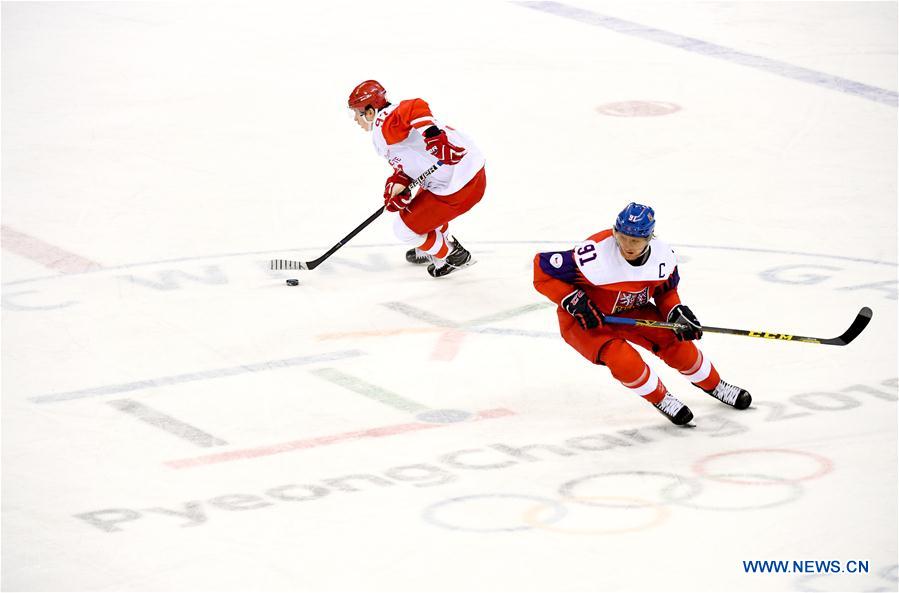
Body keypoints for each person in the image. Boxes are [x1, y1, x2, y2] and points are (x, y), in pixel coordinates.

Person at [532, 202, 751, 425]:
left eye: (635, 240)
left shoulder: (663, 258)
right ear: (615, 231)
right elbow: (541, 269)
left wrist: (675, 311)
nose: (627, 245)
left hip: (632, 309)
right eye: (622, 237)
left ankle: (716, 385)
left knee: (677, 343)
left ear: (649, 238)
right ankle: (661, 398)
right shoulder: (594, 255)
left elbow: (666, 292)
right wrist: (573, 300)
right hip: (588, 319)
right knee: (622, 359)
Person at [347, 80, 486, 278]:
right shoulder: (388, 126)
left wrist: (434, 137)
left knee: (403, 230)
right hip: (467, 174)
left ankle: (451, 254)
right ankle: (433, 247)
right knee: (418, 208)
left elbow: (415, 106)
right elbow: (408, 163)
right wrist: (398, 185)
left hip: (459, 186)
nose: (355, 119)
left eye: (356, 112)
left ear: (369, 112)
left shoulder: (384, 122)